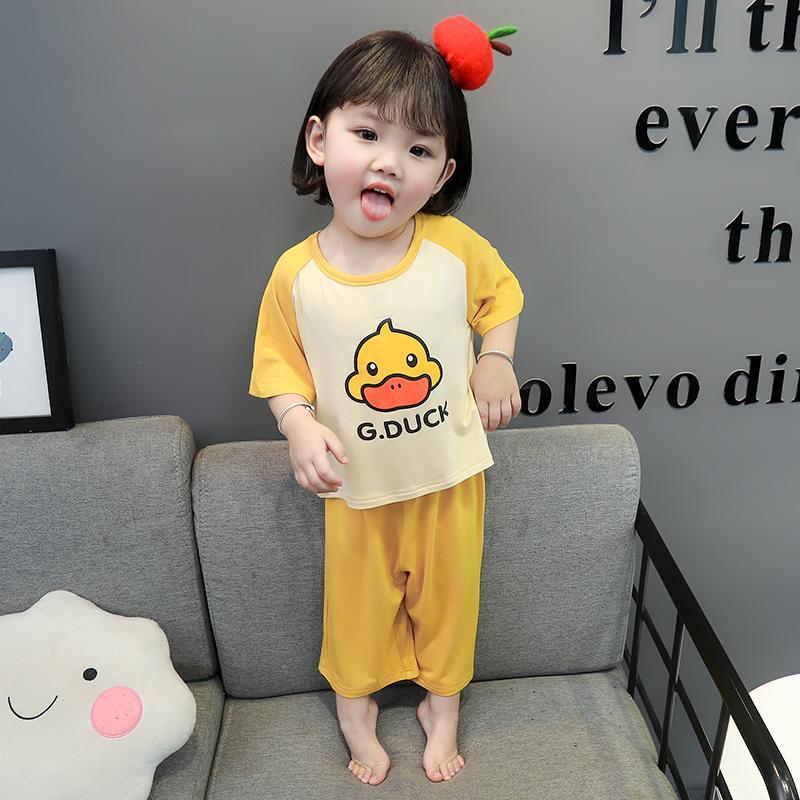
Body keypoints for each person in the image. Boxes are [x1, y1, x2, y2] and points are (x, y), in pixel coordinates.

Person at [248, 16, 523, 787]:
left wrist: (496, 359)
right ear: (319, 140)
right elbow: (278, 367)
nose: (389, 162)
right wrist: (298, 424)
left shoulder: (452, 249)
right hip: (358, 492)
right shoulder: (297, 276)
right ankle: (354, 708)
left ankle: (443, 704)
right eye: (367, 134)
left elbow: (502, 299)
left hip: (450, 481)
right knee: (358, 614)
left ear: (442, 173)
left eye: (419, 149)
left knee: (450, 606)